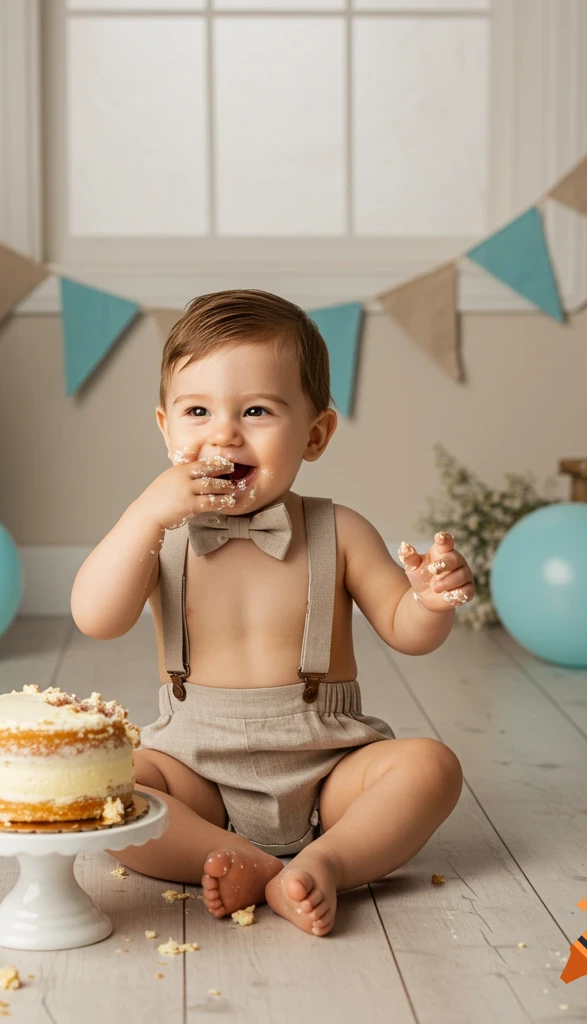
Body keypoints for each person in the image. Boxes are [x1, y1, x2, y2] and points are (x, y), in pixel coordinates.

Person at [71, 289, 474, 937]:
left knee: (431, 766)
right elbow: (96, 616)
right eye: (198, 410)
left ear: (315, 434)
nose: (224, 433)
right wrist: (144, 515)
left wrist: (428, 600)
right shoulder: (157, 534)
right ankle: (244, 861)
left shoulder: (339, 530)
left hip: (327, 766)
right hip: (194, 767)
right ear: (166, 429)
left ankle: (325, 862)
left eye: (256, 410)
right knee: (100, 785)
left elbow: (407, 631)